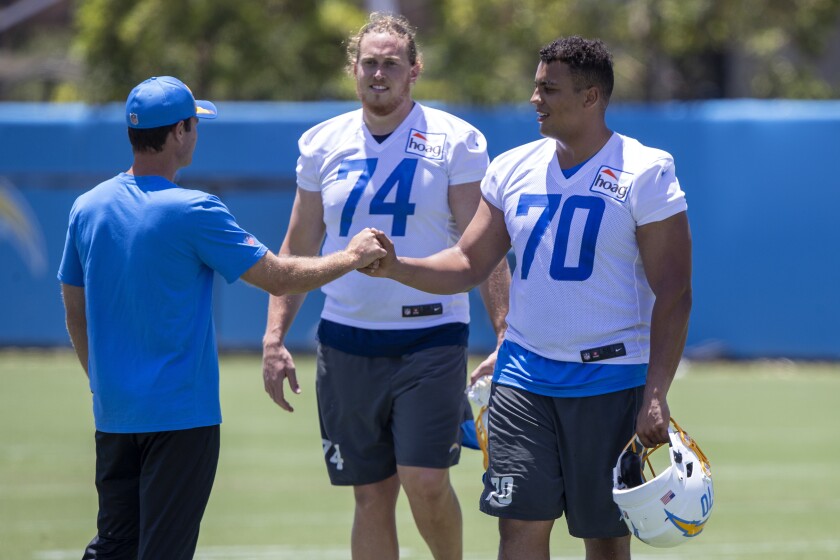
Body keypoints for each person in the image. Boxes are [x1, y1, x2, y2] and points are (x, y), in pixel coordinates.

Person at [361, 36, 692, 560]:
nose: (534, 99)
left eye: (548, 89)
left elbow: (674, 290)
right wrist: (397, 266)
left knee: (604, 540)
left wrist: (655, 393)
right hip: (523, 377)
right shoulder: (511, 167)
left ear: (591, 98)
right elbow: (469, 262)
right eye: (536, 86)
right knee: (517, 530)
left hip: (609, 378)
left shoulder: (646, 170)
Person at [57, 75, 386, 560]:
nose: (196, 133)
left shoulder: (87, 208)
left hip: (114, 413)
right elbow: (278, 276)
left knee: (115, 546)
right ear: (178, 134)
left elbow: (74, 310)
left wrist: (100, 381)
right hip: (181, 419)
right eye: (194, 124)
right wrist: (352, 256)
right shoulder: (194, 210)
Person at [260, 12, 510, 560]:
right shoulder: (322, 143)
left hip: (432, 336)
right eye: (369, 63)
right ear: (354, 69)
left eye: (391, 64)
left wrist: (504, 334)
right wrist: (275, 337)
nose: (379, 74)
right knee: (370, 494)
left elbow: (483, 248)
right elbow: (296, 246)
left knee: (424, 480)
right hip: (347, 339)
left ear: (414, 70)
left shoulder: (455, 140)